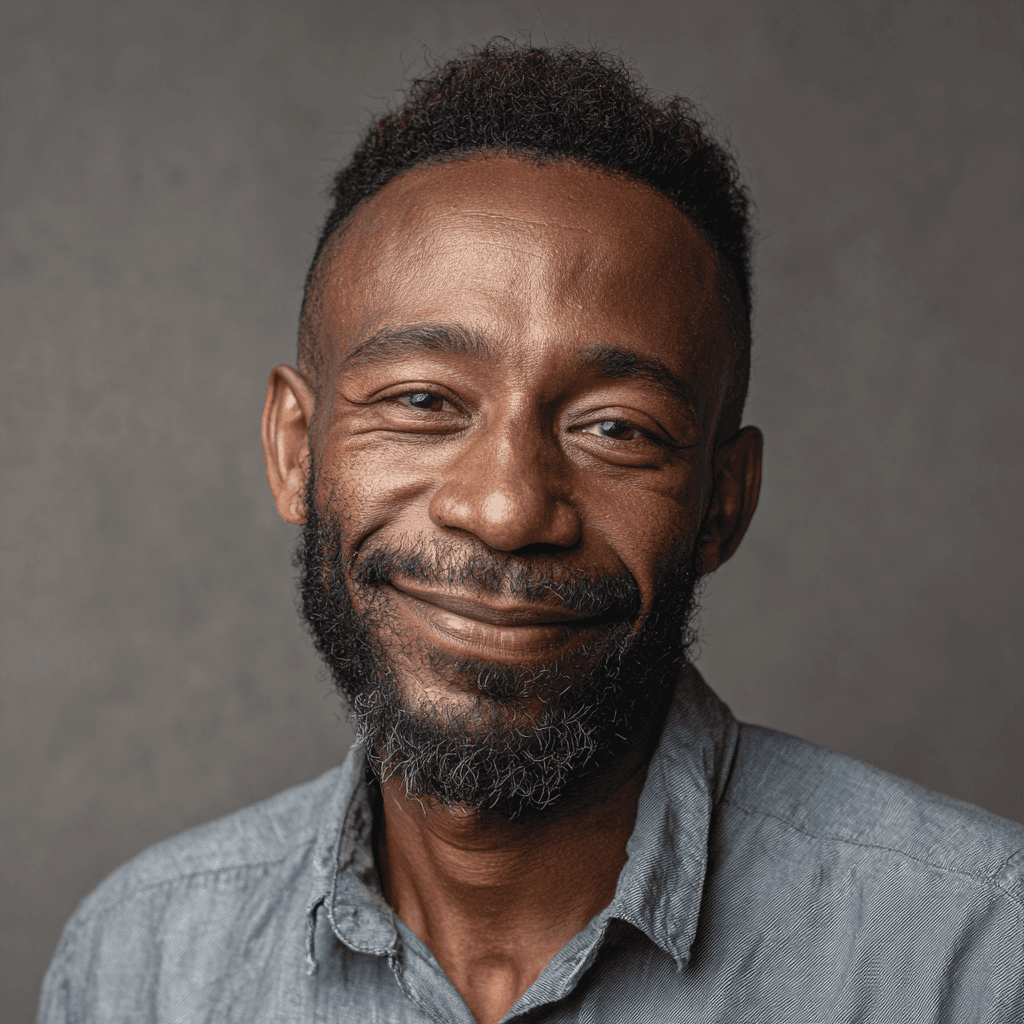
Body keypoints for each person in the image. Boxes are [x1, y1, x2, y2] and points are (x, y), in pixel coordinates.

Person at [39, 41, 1023, 1024]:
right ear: (297, 449)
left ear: (723, 500)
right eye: (423, 401)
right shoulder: (141, 962)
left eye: (615, 428)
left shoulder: (975, 956)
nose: (507, 510)